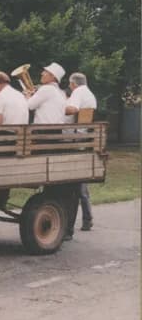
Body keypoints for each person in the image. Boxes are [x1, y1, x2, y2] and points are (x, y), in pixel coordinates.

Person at [65, 72, 98, 232]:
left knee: (74, 186)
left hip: (75, 139)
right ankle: (87, 218)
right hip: (84, 139)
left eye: (70, 84)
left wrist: (59, 106)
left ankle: (70, 226)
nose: (69, 86)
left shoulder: (78, 92)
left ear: (73, 84)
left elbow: (71, 110)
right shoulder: (90, 94)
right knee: (80, 184)